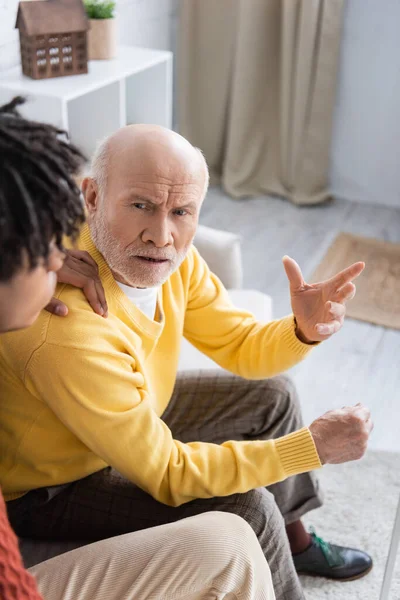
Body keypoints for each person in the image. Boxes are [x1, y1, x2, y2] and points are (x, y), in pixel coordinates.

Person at [0, 122, 374, 600]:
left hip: (124, 419)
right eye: (141, 206)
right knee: (248, 508)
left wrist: (301, 329)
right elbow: (167, 473)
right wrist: (310, 448)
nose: (161, 236)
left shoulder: (173, 260)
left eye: (181, 211)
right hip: (48, 486)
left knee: (272, 397)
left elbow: (240, 343)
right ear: (91, 197)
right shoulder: (65, 329)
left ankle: (294, 542)